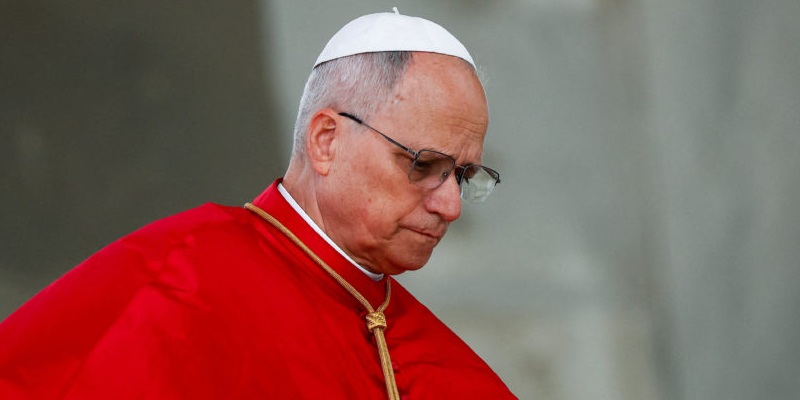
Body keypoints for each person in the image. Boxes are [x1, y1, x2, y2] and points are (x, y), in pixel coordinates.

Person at [0, 9, 515, 400]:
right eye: (423, 165)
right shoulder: (176, 278)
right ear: (327, 141)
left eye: (464, 176)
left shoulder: (454, 370)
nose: (450, 205)